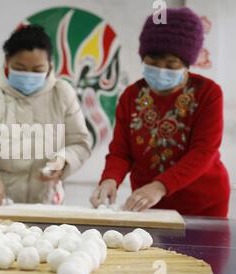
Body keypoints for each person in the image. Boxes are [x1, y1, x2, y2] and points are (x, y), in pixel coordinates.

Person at [90, 7, 230, 217]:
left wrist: (159, 186)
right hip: (148, 206)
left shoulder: (207, 94)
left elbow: (204, 151)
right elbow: (121, 151)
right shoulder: (131, 95)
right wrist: (110, 179)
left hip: (203, 204)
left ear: (187, 63)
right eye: (152, 63)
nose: (161, 70)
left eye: (171, 64)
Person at [0, 25, 91, 205]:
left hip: (44, 201)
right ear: (7, 61)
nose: (29, 75)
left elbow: (79, 143)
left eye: (37, 70)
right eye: (20, 68)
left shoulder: (62, 93)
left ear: (50, 66)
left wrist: (63, 160)